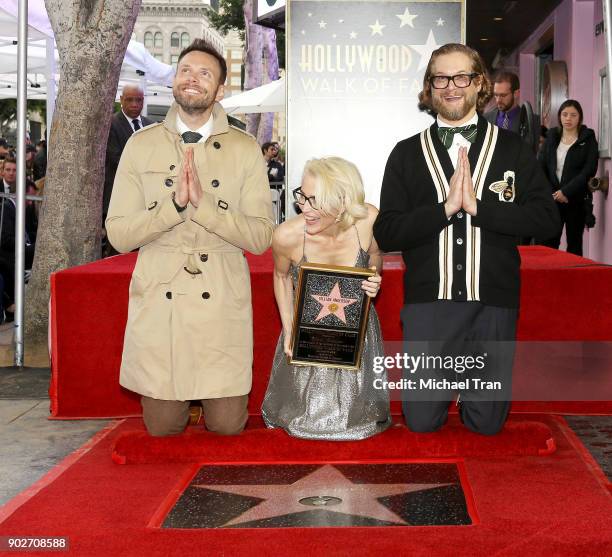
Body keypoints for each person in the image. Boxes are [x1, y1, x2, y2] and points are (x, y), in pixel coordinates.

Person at [373, 43, 559, 436]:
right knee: (422, 423)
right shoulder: (405, 154)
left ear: (479, 84)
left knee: (487, 425)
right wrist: (444, 209)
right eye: (441, 77)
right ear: (429, 87)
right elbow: (387, 231)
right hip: (429, 303)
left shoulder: (513, 150)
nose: (451, 86)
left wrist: (480, 209)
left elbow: (546, 220)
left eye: (461, 77)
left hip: (493, 301)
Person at [106, 39, 274, 437]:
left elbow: (261, 236)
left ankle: (209, 401)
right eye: (185, 70)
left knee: (228, 426)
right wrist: (174, 206)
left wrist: (203, 203)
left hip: (219, 298)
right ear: (174, 82)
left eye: (204, 73)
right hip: (162, 295)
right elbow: (118, 234)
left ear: (219, 90)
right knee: (163, 429)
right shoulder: (139, 145)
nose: (192, 78)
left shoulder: (245, 148)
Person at [262, 157, 391, 440]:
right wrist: (289, 329)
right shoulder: (287, 236)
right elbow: (281, 277)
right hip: (308, 331)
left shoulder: (369, 220)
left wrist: (373, 277)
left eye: (314, 200)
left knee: (360, 419)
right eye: (302, 197)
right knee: (302, 419)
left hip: (357, 330)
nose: (303, 208)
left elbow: (375, 257)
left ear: (342, 201)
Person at [537, 100, 598, 256]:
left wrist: (566, 191)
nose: (568, 119)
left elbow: (589, 170)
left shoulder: (587, 138)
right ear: (559, 117)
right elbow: (541, 168)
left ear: (580, 118)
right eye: (564, 114)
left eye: (573, 115)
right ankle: (548, 278)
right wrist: (554, 193)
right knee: (548, 244)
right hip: (552, 200)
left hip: (575, 199)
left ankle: (573, 279)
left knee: (574, 245)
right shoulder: (551, 137)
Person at [103, 85, 154, 221]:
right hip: (119, 195)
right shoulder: (110, 125)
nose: (134, 104)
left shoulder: (151, 125)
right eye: (129, 100)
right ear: (121, 100)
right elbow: (117, 159)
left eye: (139, 100)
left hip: (146, 198)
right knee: (118, 240)